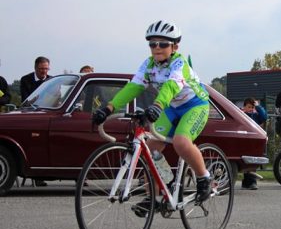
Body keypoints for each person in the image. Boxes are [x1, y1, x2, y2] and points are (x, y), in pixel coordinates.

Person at [92, 20, 212, 215]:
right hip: (171, 106)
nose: (157, 48)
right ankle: (154, 196)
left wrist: (156, 105)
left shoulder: (179, 63)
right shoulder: (148, 65)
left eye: (163, 44)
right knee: (151, 149)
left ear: (174, 46)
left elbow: (171, 86)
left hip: (194, 105)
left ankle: (203, 177)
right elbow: (133, 87)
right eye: (152, 44)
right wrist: (108, 108)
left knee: (181, 143)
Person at [20, 56, 52, 186]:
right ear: (35, 68)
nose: (44, 72)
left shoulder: (52, 80)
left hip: (48, 113)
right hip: (31, 114)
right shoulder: (26, 80)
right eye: (41, 69)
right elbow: (26, 100)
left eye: (46, 69)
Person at [241, 97, 268, 190]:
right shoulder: (242, 115)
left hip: (254, 142)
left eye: (252, 107)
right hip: (245, 141)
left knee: (252, 162)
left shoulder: (256, 116)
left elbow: (264, 117)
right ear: (244, 107)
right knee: (246, 162)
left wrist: (258, 107)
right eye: (249, 107)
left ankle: (252, 181)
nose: (251, 109)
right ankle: (246, 182)